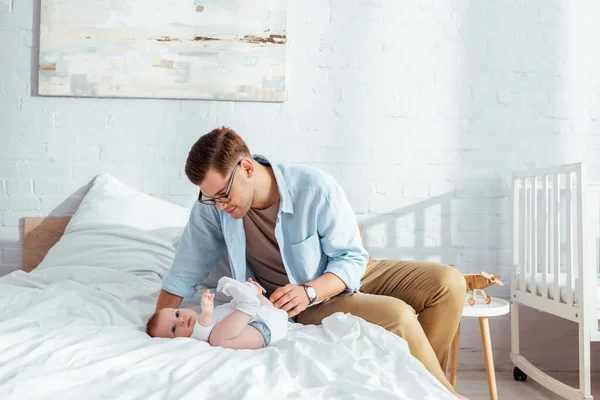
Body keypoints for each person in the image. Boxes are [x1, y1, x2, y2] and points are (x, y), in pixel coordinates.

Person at [155, 127, 467, 399]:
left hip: (331, 276)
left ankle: (427, 386)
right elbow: (184, 270)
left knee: (449, 283)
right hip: (295, 302)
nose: (219, 206)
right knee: (397, 315)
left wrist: (312, 289)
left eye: (223, 194)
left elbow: (352, 258)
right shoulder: (213, 209)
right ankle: (446, 394)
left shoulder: (314, 188)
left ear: (247, 168)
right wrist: (157, 325)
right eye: (210, 198)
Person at [147, 277, 288, 349]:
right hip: (264, 330)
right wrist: (207, 314)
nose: (181, 320)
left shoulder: (213, 313)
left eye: (177, 314)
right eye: (174, 328)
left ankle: (251, 291)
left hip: (265, 314)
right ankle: (248, 301)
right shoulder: (197, 335)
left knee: (232, 310)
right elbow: (203, 330)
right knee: (217, 340)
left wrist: (246, 292)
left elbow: (232, 313)